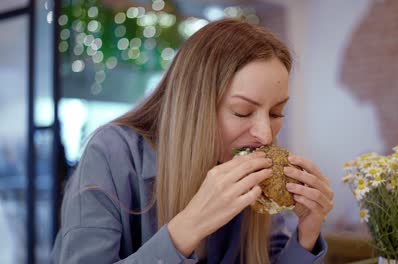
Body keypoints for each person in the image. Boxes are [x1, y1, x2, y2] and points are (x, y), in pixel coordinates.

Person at [51, 19, 334, 264]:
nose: (265, 134)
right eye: (242, 111)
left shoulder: (258, 187)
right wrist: (190, 227)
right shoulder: (112, 154)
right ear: (193, 106)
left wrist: (306, 234)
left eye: (275, 113)